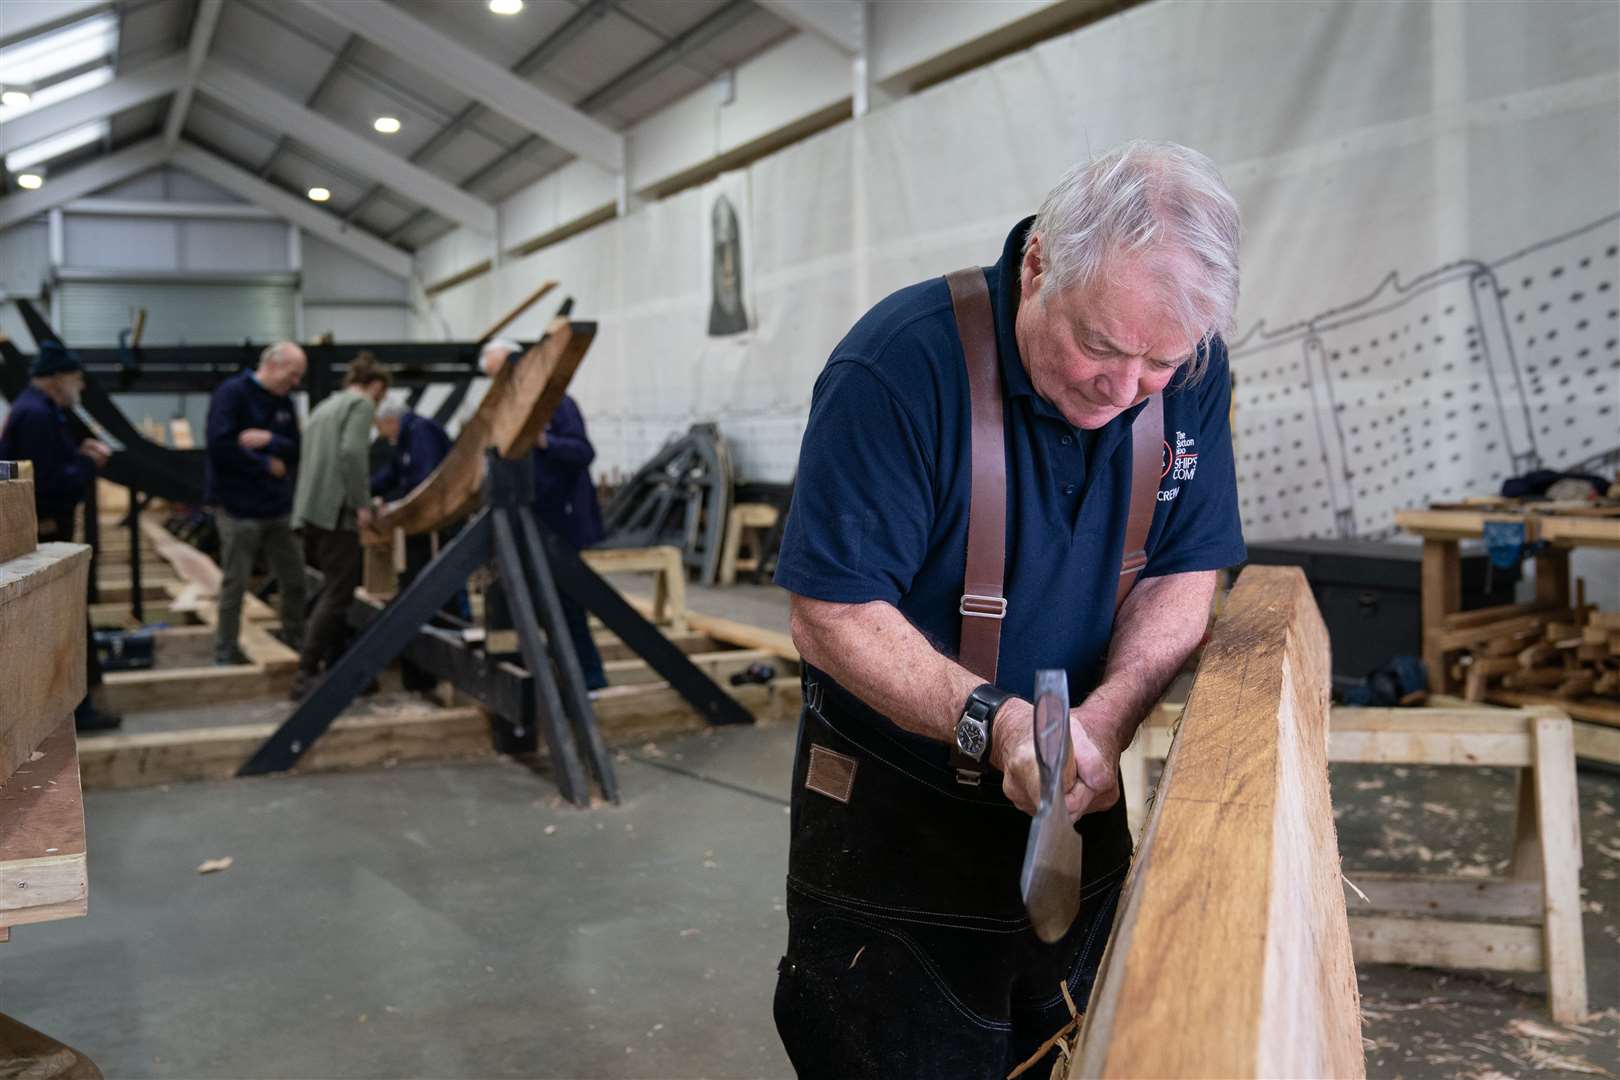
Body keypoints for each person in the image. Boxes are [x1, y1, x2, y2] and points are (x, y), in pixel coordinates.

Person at [770, 141, 1246, 1077]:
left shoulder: (1188, 367)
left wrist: (1105, 719)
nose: (1122, 391)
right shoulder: (900, 367)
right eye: (1099, 345)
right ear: (1036, 267)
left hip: (1081, 797)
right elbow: (829, 613)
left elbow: (1184, 572)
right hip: (898, 832)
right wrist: (996, 724)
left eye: (1159, 363)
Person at [0, 341, 120, 732]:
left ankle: (80, 704)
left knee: (68, 619)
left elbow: (50, 462)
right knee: (64, 621)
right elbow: (52, 484)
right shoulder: (37, 415)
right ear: (57, 379)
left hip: (48, 533)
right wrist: (88, 462)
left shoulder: (41, 410)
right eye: (77, 380)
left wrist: (75, 450)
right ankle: (76, 711)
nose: (80, 387)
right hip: (46, 535)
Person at [480, 340, 608, 691]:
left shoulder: (559, 406)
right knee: (525, 605)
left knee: (567, 606)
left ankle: (590, 680)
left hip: (559, 525)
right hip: (525, 523)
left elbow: (583, 452)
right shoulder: (506, 410)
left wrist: (544, 443)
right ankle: (548, 676)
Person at [289, 353, 391, 700]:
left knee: (332, 589)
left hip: (310, 511)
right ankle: (305, 671)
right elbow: (351, 454)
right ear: (375, 386)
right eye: (382, 396)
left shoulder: (324, 408)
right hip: (336, 515)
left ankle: (339, 667)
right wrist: (361, 504)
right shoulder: (360, 406)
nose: (379, 403)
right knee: (338, 593)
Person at [205, 342, 309, 666]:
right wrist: (263, 464)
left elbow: (295, 448)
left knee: (295, 579)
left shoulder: (284, 403)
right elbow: (219, 445)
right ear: (274, 365)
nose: (295, 383)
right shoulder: (232, 394)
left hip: (276, 507)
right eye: (292, 375)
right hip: (238, 508)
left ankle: (295, 636)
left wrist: (269, 441)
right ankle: (226, 649)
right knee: (236, 583)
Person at [371, 399, 463, 689]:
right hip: (424, 526)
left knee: (440, 586)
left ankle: (447, 656)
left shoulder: (420, 432)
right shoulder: (407, 435)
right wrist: (368, 490)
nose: (385, 437)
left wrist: (394, 502)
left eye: (383, 430)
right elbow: (395, 473)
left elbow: (424, 480)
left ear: (391, 421)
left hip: (439, 524)